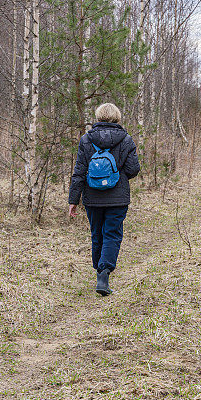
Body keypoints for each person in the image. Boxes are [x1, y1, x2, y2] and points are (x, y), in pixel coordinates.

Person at [68, 103, 140, 296]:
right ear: (117, 117)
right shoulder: (126, 139)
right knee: (112, 235)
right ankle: (104, 273)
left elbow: (79, 172)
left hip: (92, 197)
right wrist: (118, 173)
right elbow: (133, 169)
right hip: (118, 198)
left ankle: (99, 270)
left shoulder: (86, 140)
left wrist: (73, 200)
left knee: (97, 234)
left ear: (98, 118)